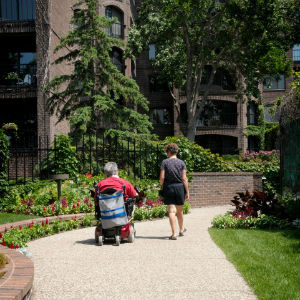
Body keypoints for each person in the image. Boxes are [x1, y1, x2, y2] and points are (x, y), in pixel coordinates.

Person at [160, 143, 189, 240]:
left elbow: (162, 177)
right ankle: (181, 229)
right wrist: (187, 191)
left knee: (171, 211)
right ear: (176, 151)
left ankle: (174, 233)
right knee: (180, 211)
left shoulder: (165, 162)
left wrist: (162, 186)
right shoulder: (181, 163)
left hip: (169, 187)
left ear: (168, 151)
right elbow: (184, 178)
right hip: (180, 187)